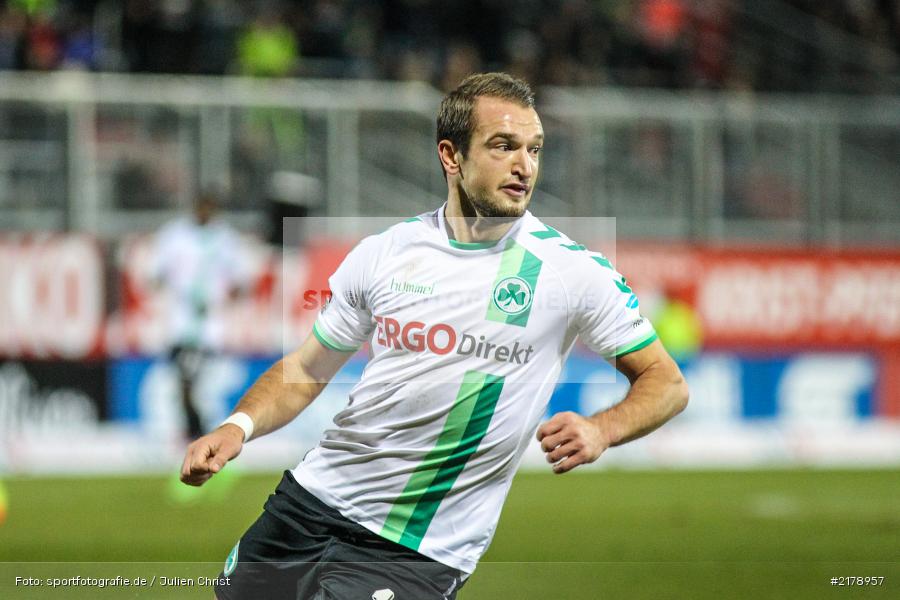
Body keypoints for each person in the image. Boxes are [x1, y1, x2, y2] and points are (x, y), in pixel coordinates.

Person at [180, 72, 689, 600]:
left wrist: (603, 429)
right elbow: (307, 369)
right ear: (452, 156)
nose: (524, 165)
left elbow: (667, 383)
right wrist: (237, 427)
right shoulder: (385, 252)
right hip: (309, 503)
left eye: (534, 149)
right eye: (503, 146)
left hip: (416, 549)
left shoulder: (570, 271)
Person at [153, 191, 246, 440]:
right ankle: (198, 432)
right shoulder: (174, 235)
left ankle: (199, 434)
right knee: (185, 383)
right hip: (180, 323)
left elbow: (240, 281)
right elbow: (157, 274)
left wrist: (220, 301)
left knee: (194, 383)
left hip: (210, 327)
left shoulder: (226, 239)